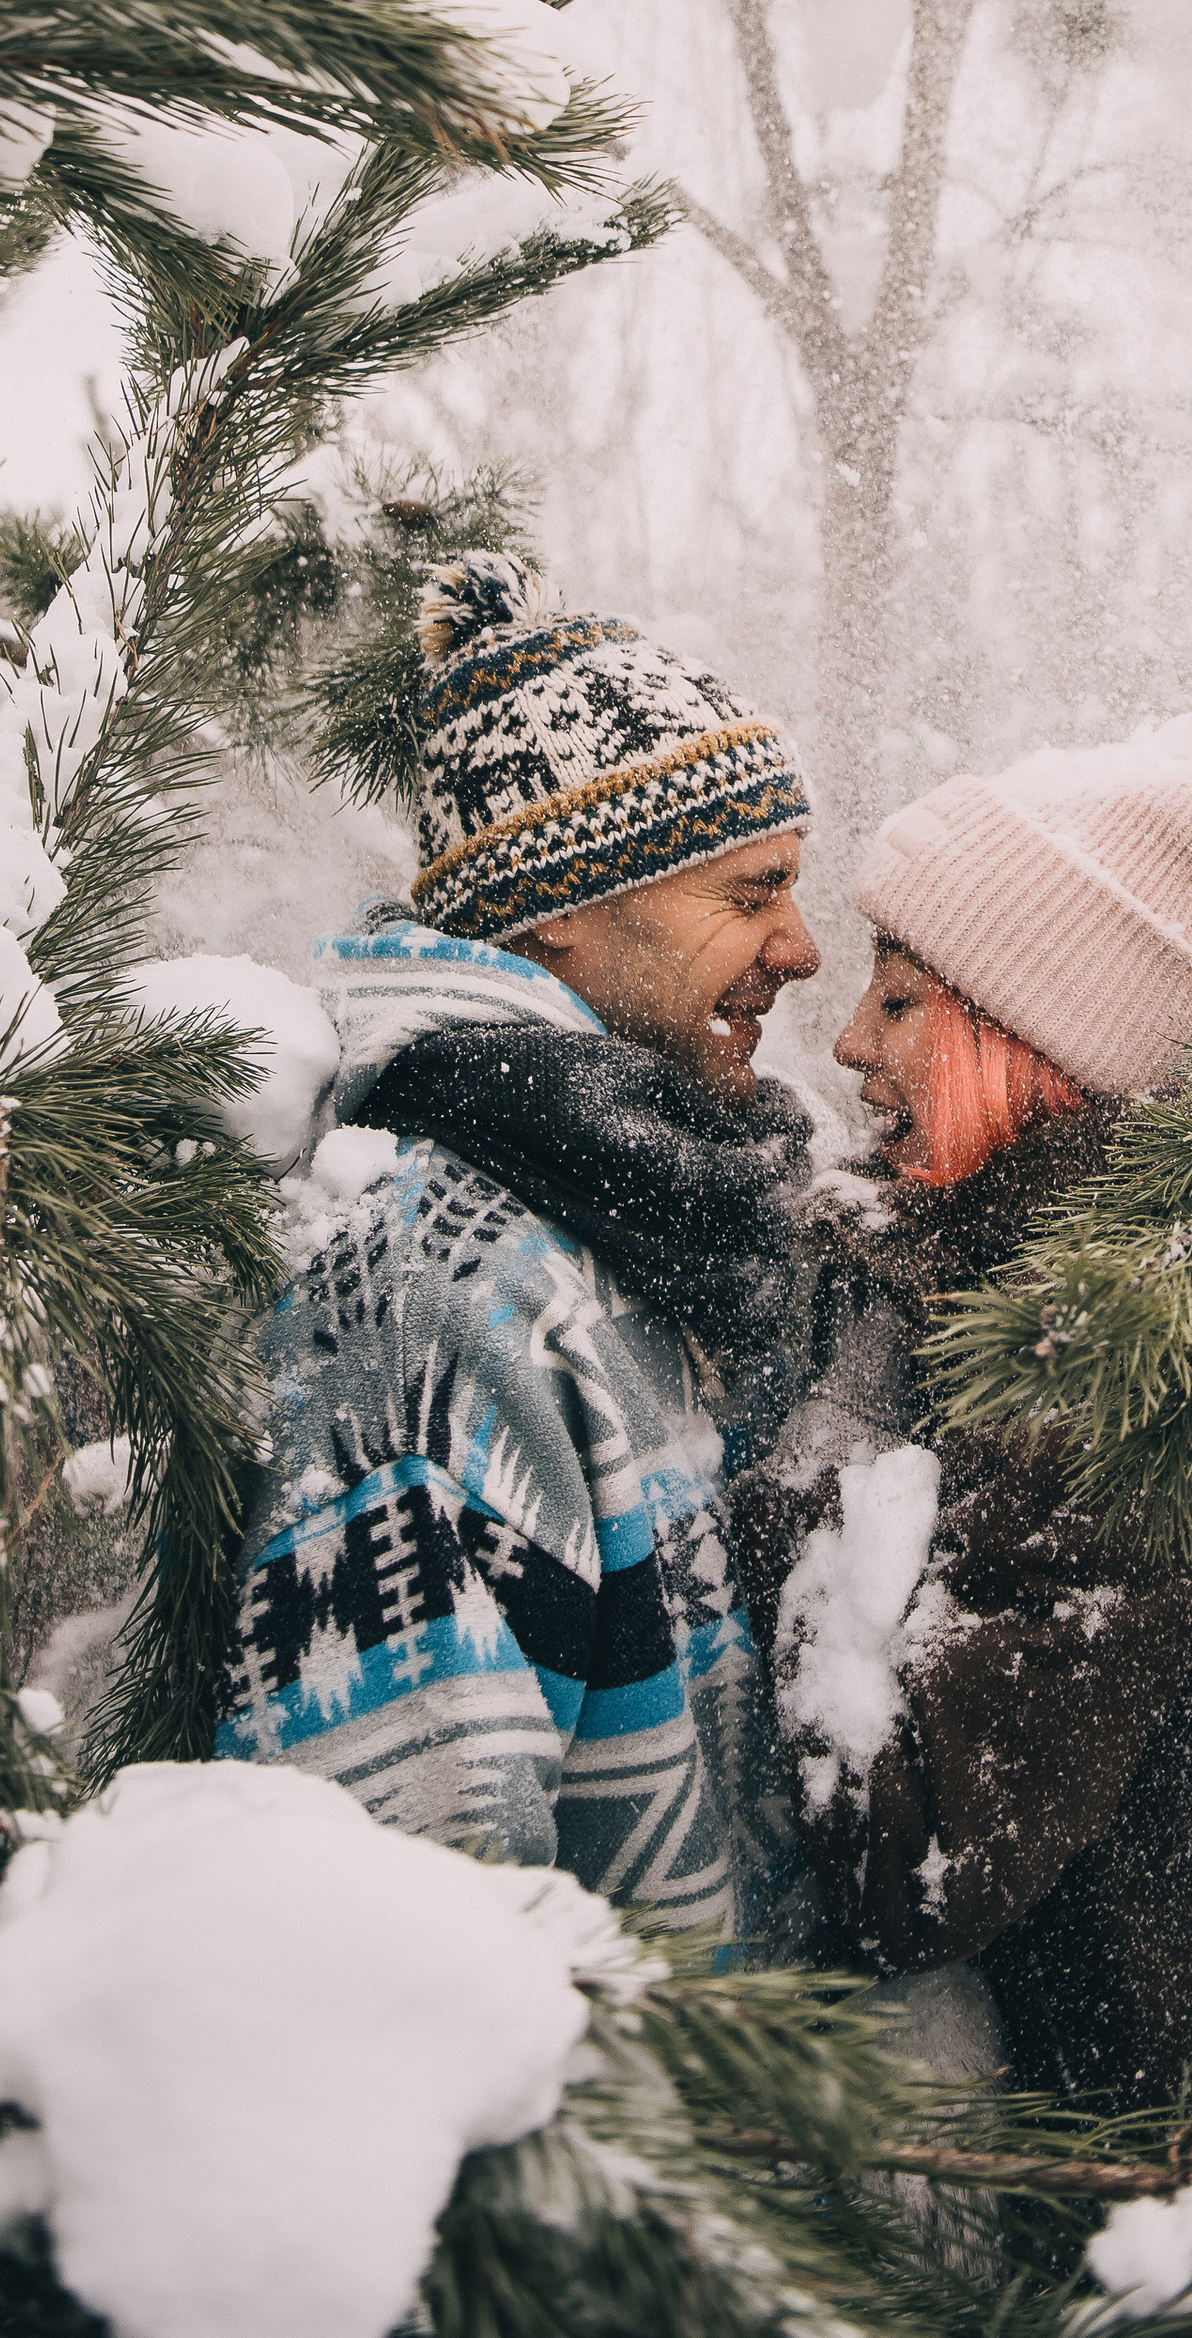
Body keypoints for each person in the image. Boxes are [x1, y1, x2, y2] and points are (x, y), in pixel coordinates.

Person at [213, 552, 820, 1948]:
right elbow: (407, 1939)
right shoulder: (428, 1304)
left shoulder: (625, 1210)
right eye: (749, 892)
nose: (800, 947)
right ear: (562, 911)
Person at [736, 707, 1192, 2096]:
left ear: (1032, 1044)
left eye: (905, 998)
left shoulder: (1150, 1369)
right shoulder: (955, 1261)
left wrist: (811, 1468)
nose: (853, 1042)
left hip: (1089, 2154)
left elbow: (907, 1856)